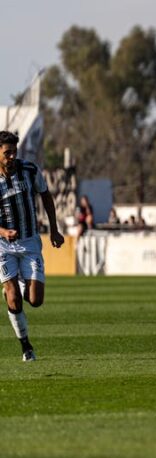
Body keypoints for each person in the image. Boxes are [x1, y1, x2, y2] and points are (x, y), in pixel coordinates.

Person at [0, 131, 64, 361]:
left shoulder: (29, 169)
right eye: (7, 152)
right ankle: (26, 346)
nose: (12, 156)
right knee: (14, 297)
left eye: (14, 152)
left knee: (36, 300)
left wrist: (54, 229)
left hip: (30, 242)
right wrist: (3, 231)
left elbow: (46, 197)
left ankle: (18, 283)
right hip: (3, 246)